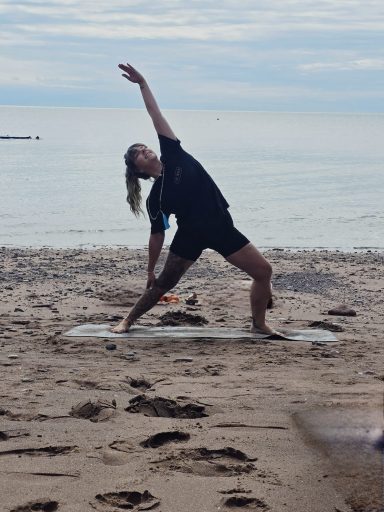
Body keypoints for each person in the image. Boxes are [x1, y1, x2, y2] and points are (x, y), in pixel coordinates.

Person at [111, 62, 276, 335]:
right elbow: (157, 235)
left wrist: (143, 84)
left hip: (222, 227)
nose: (145, 150)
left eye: (144, 146)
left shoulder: (173, 154)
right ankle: (127, 321)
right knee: (164, 283)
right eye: (139, 153)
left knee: (263, 271)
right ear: (138, 169)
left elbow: (155, 115)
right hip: (192, 234)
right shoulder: (157, 197)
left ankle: (259, 324)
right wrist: (150, 270)